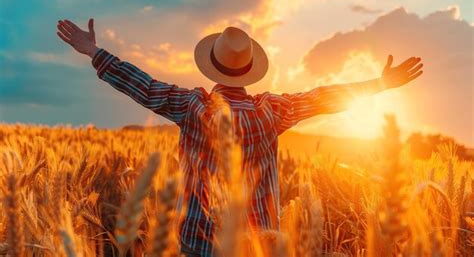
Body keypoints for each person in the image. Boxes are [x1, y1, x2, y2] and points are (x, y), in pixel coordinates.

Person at [57, 18, 423, 257]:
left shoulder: (192, 106)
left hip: (198, 243)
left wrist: (95, 52)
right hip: (258, 247)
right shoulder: (271, 111)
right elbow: (321, 98)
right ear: (249, 72)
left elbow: (145, 88)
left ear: (213, 67)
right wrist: (379, 84)